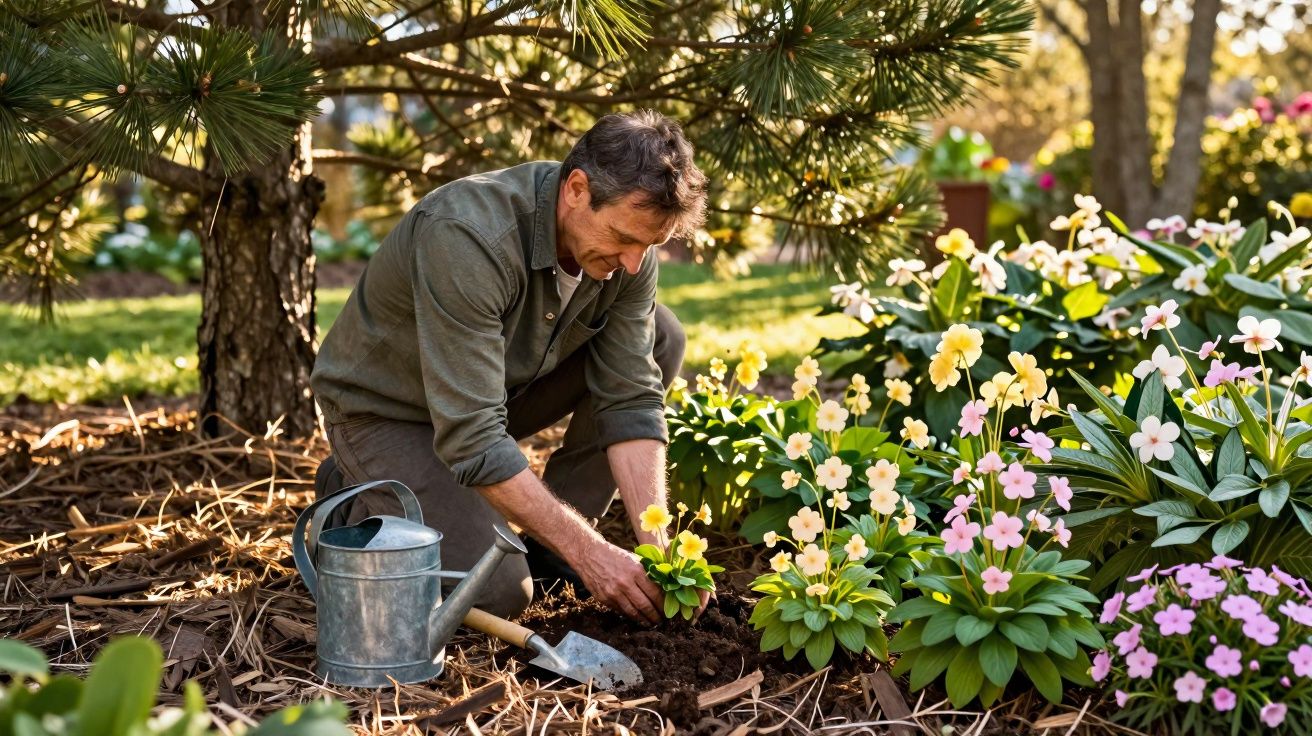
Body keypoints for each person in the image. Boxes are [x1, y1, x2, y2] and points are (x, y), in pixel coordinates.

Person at [309, 110, 708, 623]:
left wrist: (662, 553)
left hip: (491, 393)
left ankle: (554, 554)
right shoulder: (468, 234)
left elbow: (630, 398)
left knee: (661, 335)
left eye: (649, 246)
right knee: (496, 594)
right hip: (388, 413)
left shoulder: (628, 255)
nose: (634, 263)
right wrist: (594, 553)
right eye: (624, 239)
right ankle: (350, 500)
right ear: (577, 190)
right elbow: (474, 438)